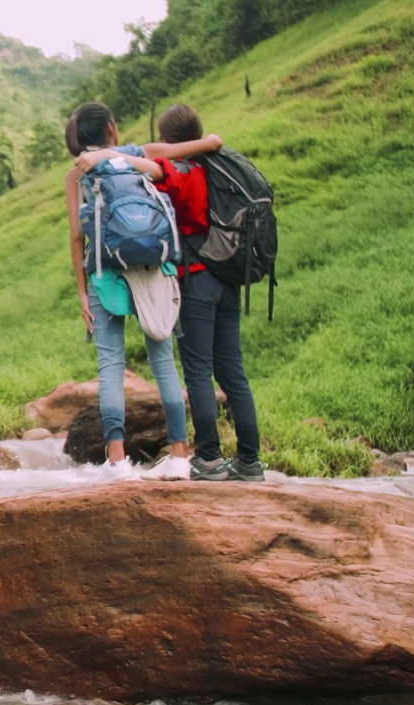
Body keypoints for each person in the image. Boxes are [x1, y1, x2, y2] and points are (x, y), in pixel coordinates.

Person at [74, 103, 264, 482]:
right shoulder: (214, 167)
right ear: (112, 127)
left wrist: (108, 157)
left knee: (192, 369)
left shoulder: (169, 171)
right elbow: (206, 144)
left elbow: (80, 231)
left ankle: (199, 459)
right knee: (231, 373)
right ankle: (243, 461)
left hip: (186, 278)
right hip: (223, 276)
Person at [64, 101, 206, 481]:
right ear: (112, 127)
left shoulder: (75, 175)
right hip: (154, 266)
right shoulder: (137, 153)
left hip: (104, 271)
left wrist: (81, 294)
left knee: (111, 365)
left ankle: (117, 462)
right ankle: (179, 456)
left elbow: (77, 237)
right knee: (163, 359)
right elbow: (195, 148)